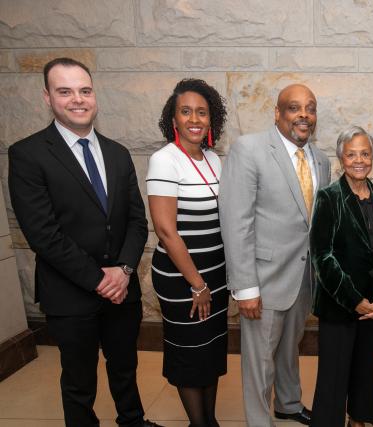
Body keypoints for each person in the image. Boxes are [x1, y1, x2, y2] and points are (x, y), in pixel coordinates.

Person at [7, 57, 159, 427]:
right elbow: (43, 234)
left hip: (122, 290)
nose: (77, 99)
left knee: (125, 367)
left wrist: (123, 271)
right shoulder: (28, 155)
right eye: (65, 91)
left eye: (85, 90)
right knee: (79, 381)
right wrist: (98, 279)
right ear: (47, 98)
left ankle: (132, 421)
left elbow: (137, 222)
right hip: (70, 293)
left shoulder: (117, 154)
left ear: (94, 95)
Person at [219, 84, 331, 426]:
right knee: (259, 360)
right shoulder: (249, 150)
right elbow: (236, 221)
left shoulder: (321, 160)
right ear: (278, 113)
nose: (304, 115)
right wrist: (246, 287)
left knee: (289, 349)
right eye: (294, 108)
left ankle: (288, 403)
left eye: (310, 108)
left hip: (303, 279)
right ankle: (259, 420)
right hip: (263, 282)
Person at [146, 79, 228, 427]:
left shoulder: (214, 159)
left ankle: (209, 420)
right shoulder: (164, 160)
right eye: (186, 111)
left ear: (212, 120)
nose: (194, 118)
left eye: (202, 112)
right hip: (184, 279)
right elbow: (166, 230)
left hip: (215, 272)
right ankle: (200, 423)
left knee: (209, 351)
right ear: (174, 119)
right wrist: (197, 283)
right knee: (189, 352)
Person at [309, 126, 373, 427]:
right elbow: (323, 256)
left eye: (365, 153)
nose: (359, 160)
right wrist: (354, 300)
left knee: (367, 368)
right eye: (351, 154)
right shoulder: (328, 198)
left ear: (372, 156)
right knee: (334, 375)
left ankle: (359, 419)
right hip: (340, 305)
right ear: (341, 159)